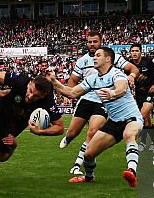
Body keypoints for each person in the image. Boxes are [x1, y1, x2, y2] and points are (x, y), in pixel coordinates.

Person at [50, 46, 142, 187]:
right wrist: (54, 82)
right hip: (114, 122)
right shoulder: (93, 79)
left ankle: (131, 172)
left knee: (129, 135)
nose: (94, 57)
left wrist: (112, 93)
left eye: (98, 55)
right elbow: (72, 93)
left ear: (108, 59)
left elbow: (122, 88)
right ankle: (89, 177)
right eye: (94, 55)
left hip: (132, 118)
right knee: (88, 154)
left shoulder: (117, 74)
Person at [129, 45, 154, 150]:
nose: (134, 53)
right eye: (132, 51)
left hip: (151, 92)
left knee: (143, 115)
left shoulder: (149, 61)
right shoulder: (129, 65)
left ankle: (143, 142)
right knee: (146, 119)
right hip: (138, 93)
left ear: (141, 52)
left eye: (136, 51)